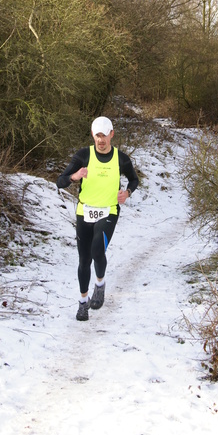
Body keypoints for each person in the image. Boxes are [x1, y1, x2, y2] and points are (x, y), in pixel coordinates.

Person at [57, 116, 139, 321]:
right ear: (93, 136)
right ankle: (83, 302)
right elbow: (60, 181)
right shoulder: (84, 155)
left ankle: (100, 284)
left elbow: (134, 179)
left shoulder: (121, 159)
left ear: (112, 134)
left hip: (109, 210)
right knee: (84, 260)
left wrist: (127, 193)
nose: (100, 140)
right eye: (97, 136)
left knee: (96, 249)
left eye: (104, 135)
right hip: (85, 211)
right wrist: (74, 177)